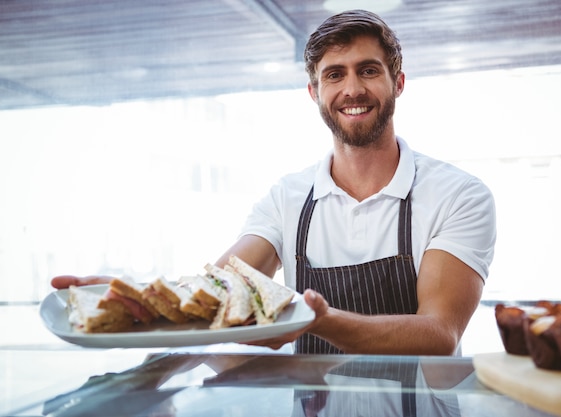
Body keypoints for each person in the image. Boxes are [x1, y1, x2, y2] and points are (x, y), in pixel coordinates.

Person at [52, 9, 496, 356]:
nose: (352, 89)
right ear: (314, 93)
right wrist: (138, 297)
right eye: (334, 75)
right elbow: (219, 291)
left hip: (417, 407)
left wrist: (310, 318)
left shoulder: (457, 195)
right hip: (314, 405)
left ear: (398, 82)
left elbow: (438, 332)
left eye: (369, 70)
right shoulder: (287, 198)